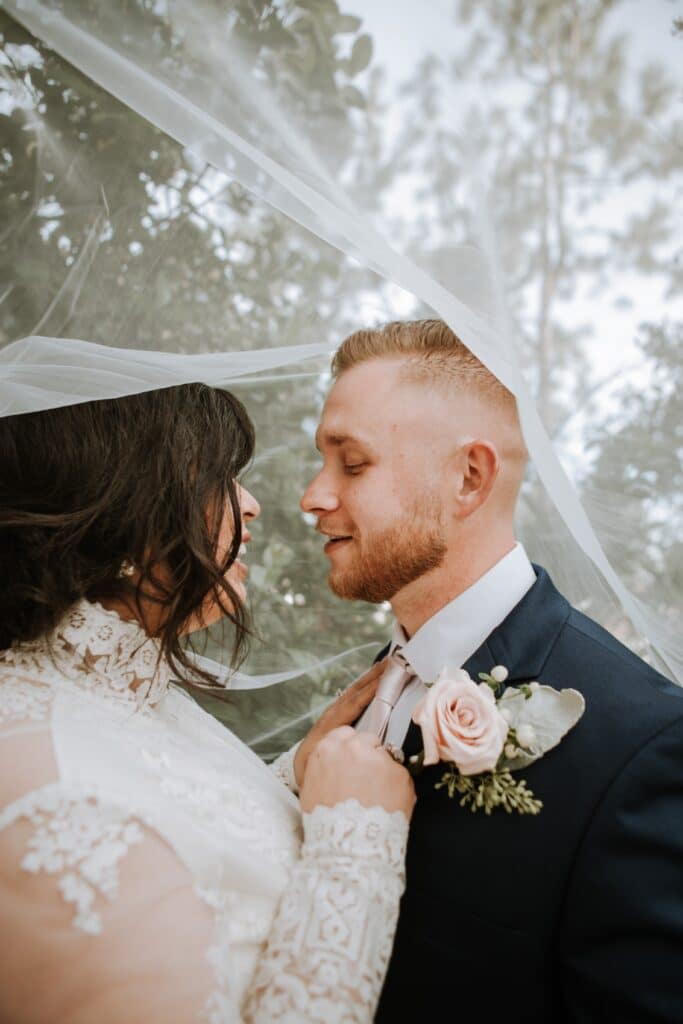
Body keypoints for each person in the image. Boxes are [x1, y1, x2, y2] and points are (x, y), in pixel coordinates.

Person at [301, 318, 683, 1023]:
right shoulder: (371, 690)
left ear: (468, 477)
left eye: (351, 464)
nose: (313, 496)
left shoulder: (641, 742)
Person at [0, 382, 416, 1024]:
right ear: (124, 509)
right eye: (219, 478)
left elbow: (193, 842)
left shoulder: (119, 687)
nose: (250, 506)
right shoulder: (53, 796)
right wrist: (355, 841)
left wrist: (298, 773)